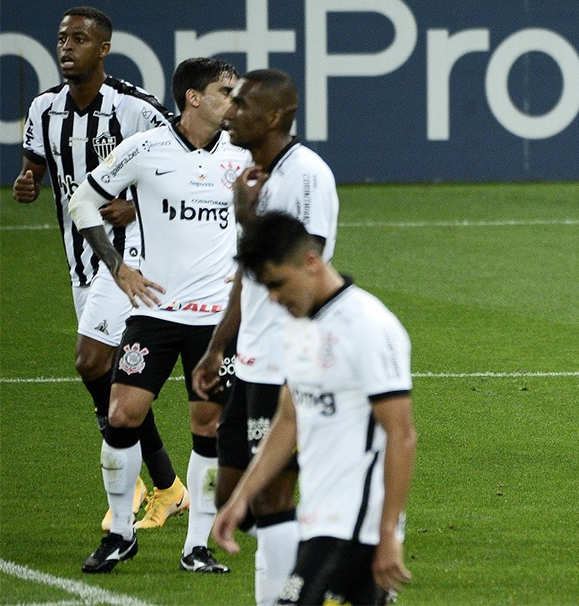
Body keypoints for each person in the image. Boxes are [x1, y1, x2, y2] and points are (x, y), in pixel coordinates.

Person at [68, 57, 252, 574]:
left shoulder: (241, 155)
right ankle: (121, 534)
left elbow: (263, 219)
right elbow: (82, 202)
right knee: (122, 415)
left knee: (208, 425)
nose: (233, 101)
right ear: (193, 97)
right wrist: (118, 267)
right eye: (224, 91)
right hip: (155, 311)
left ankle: (197, 547)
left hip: (215, 318)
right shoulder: (145, 148)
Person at [14, 6, 186, 532]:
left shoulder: (135, 108)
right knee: (114, 379)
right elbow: (35, 167)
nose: (67, 47)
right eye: (62, 38)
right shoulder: (43, 109)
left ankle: (132, 472)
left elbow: (183, 165)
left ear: (104, 49)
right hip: (80, 261)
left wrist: (136, 205)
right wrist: (27, 183)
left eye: (80, 39)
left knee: (91, 361)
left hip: (129, 258)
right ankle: (165, 485)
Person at [213, 212, 416, 606]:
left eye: (277, 283)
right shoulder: (298, 325)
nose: (273, 298)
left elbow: (401, 434)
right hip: (318, 518)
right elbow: (288, 420)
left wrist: (388, 532)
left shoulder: (369, 326)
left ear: (311, 262)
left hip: (357, 527)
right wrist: (240, 499)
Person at [192, 68, 339, 606]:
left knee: (272, 499)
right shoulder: (254, 176)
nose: (229, 113)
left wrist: (248, 219)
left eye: (242, 105)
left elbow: (306, 265)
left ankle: (300, 590)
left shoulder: (307, 175)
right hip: (249, 357)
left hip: (286, 359)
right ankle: (329, 556)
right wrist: (218, 346)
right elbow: (246, 273)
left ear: (275, 116)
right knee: (233, 498)